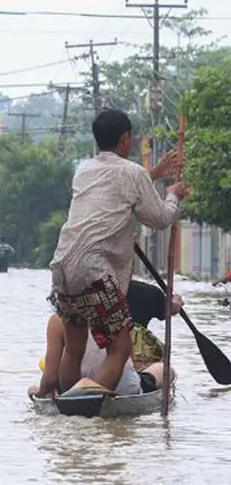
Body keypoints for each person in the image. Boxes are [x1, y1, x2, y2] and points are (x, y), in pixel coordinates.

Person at [48, 108, 187, 394]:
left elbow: (115, 188)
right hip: (94, 271)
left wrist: (155, 173)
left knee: (73, 347)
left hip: (62, 267)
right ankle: (89, 399)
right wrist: (173, 196)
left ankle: (70, 405)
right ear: (126, 138)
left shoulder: (84, 170)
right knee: (120, 346)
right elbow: (160, 218)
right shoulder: (132, 173)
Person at [34, 313, 171, 398]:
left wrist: (40, 393)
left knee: (34, 388)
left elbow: (50, 380)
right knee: (166, 369)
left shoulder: (57, 320)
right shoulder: (116, 316)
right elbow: (122, 356)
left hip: (70, 391)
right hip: (122, 390)